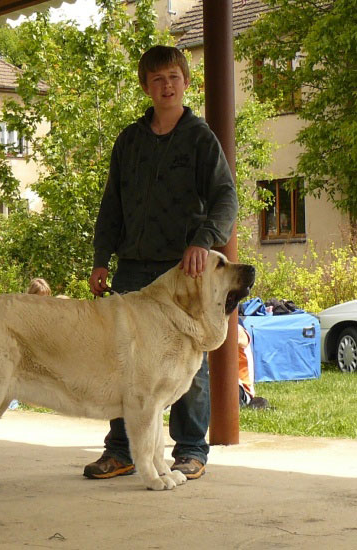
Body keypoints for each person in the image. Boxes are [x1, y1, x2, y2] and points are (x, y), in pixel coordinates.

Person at [84, 45, 238, 481]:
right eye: (157, 79)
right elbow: (111, 206)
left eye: (173, 77)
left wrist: (204, 242)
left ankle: (190, 450)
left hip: (184, 271)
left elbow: (227, 196)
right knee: (123, 359)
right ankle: (123, 449)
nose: (166, 85)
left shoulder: (199, 137)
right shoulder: (129, 141)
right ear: (146, 87)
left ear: (186, 82)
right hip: (133, 267)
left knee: (188, 355)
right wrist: (101, 259)